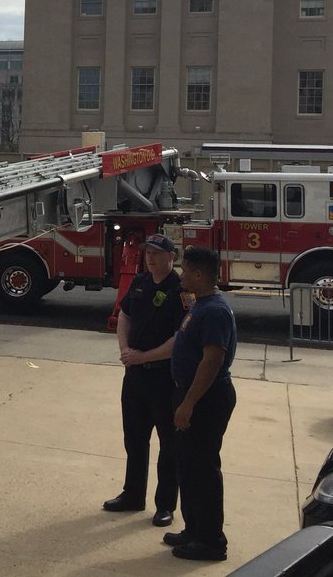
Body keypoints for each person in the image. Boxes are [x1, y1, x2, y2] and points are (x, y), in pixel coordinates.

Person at [104, 233, 185, 528]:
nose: (150, 258)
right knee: (135, 440)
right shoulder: (140, 282)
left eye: (156, 253)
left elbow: (182, 337)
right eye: (147, 253)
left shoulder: (182, 290)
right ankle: (132, 495)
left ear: (171, 256)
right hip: (135, 377)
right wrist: (125, 350)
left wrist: (146, 356)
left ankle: (165, 506)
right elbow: (124, 315)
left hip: (164, 379)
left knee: (169, 445)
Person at [164, 246, 237, 563]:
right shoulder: (201, 305)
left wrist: (188, 403)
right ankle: (194, 529)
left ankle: (210, 541)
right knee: (188, 466)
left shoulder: (214, 311)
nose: (181, 275)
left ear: (198, 274)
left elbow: (212, 360)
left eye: (184, 270)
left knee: (203, 469)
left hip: (205, 398)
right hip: (191, 394)